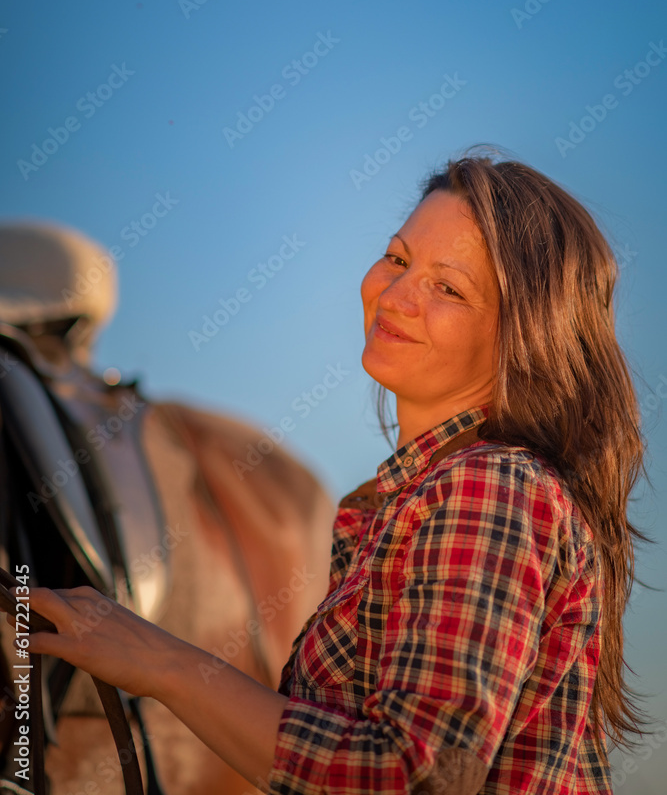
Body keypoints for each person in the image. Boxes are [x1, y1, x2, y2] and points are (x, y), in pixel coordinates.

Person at [8, 148, 656, 793]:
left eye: (448, 288)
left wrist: (163, 663)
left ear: (523, 334)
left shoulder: (487, 488)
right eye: (397, 258)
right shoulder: (412, 499)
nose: (396, 294)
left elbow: (413, 778)